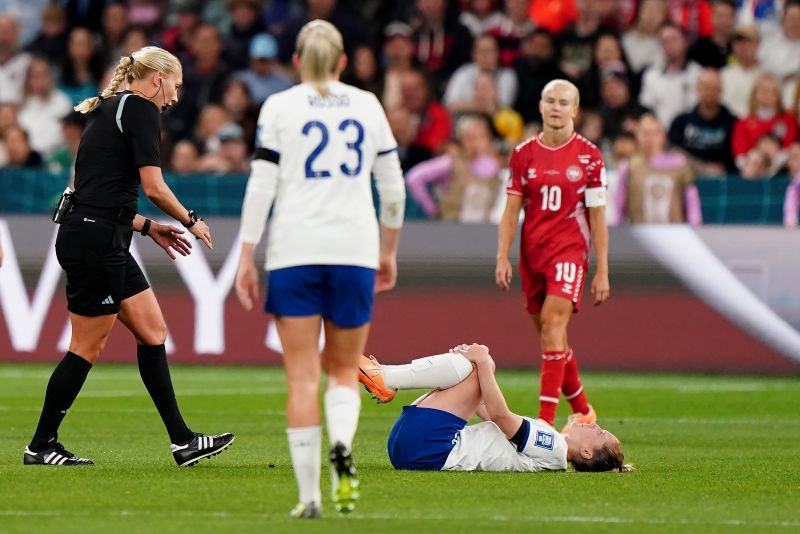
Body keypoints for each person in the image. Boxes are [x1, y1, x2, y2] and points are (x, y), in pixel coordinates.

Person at [23, 46, 234, 468]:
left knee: (153, 331)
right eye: (174, 86)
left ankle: (183, 442)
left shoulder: (108, 108)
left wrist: (147, 227)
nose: (174, 97)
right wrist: (190, 218)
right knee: (87, 345)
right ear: (157, 79)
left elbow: (97, 193)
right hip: (96, 241)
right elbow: (153, 187)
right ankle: (41, 445)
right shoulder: (140, 110)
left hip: (100, 234)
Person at [234, 20, 406, 519]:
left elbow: (261, 187)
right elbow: (393, 190)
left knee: (301, 378)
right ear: (343, 61)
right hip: (354, 250)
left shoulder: (279, 107)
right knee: (343, 374)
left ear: (295, 61)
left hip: (294, 251)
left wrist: (246, 252)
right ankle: (344, 448)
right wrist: (389, 251)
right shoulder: (367, 105)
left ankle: (310, 497)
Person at [495, 79, 609, 431]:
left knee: (553, 325)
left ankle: (544, 424)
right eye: (550, 101)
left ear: (575, 110)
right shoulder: (523, 153)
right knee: (551, 334)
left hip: (570, 251)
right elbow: (511, 211)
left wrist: (602, 270)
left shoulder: (589, 156)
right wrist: (503, 256)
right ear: (541, 107)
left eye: (564, 102)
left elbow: (598, 218)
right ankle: (584, 410)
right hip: (533, 254)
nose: (556, 107)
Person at [358, 344, 631, 473]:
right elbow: (487, 411)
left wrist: (483, 363)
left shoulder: (554, 447)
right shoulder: (551, 438)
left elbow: (500, 415)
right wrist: (478, 365)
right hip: (415, 447)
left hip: (427, 449)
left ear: (586, 452)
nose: (595, 425)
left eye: (601, 432)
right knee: (478, 366)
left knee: (481, 364)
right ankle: (385, 377)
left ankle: (386, 377)